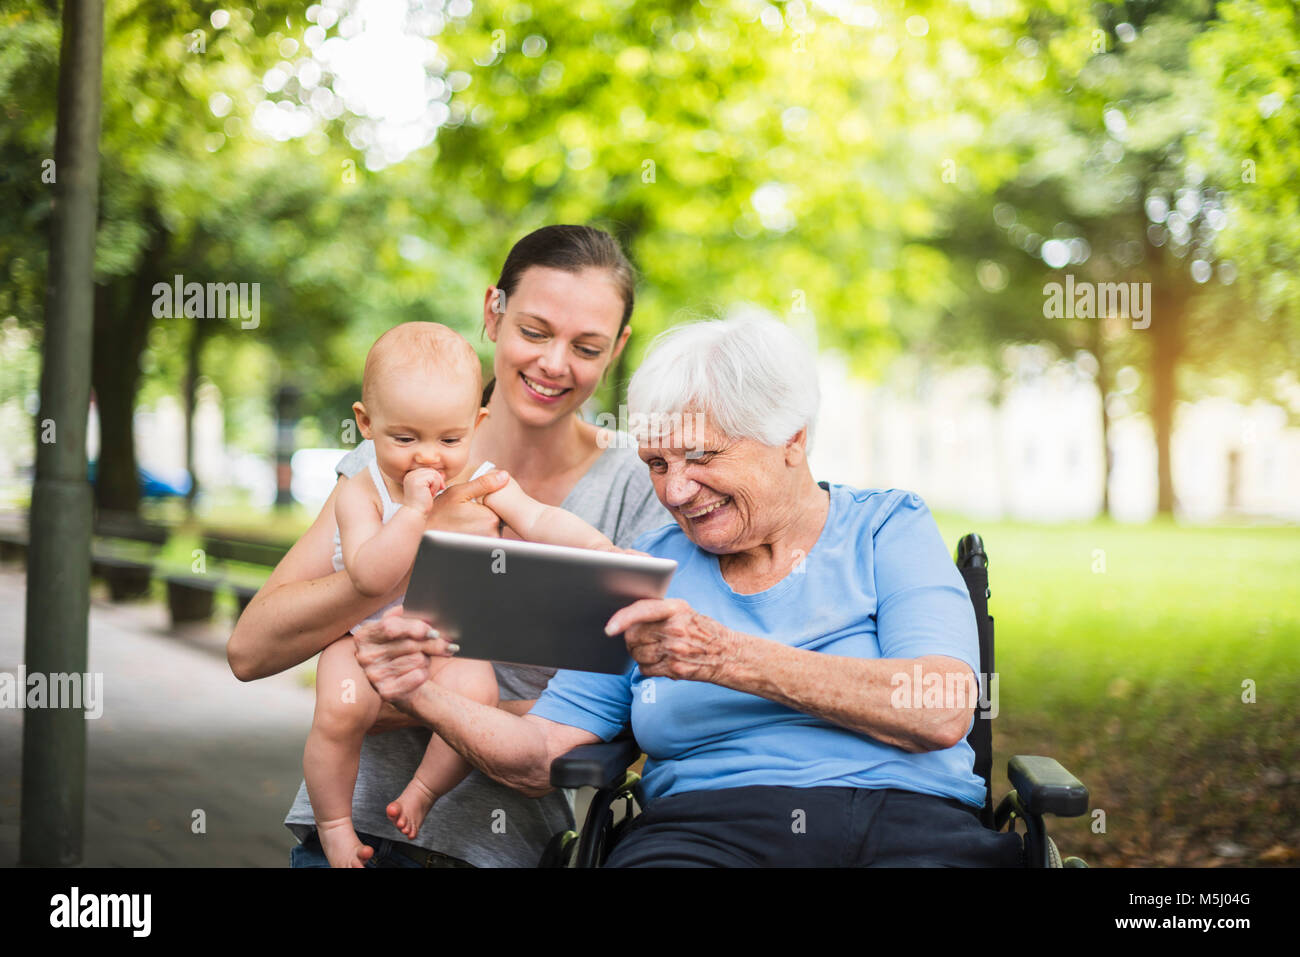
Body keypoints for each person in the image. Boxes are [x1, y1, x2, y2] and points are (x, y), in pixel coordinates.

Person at [355, 314, 1026, 867]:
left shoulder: (885, 527)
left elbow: (940, 707)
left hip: (907, 823)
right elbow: (541, 756)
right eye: (657, 462)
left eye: (702, 456)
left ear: (791, 439)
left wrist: (726, 657)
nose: (674, 490)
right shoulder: (641, 567)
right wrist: (418, 687)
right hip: (702, 834)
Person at [227, 225, 669, 868]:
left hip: (504, 848)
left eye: (587, 346)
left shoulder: (637, 485)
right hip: (353, 833)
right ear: (494, 313)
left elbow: (624, 712)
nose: (554, 364)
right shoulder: (383, 461)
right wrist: (415, 542)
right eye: (536, 331)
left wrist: (405, 699)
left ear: (617, 347)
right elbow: (251, 649)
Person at [308, 320, 617, 867]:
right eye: (404, 439)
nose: (428, 458)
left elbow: (542, 519)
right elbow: (368, 576)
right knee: (338, 709)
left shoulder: (484, 478)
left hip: (443, 642)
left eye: (449, 440)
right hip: (366, 642)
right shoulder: (362, 490)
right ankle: (333, 824)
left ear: (476, 423)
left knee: (478, 690)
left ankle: (422, 792)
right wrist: (417, 513)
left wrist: (602, 550)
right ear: (365, 423)